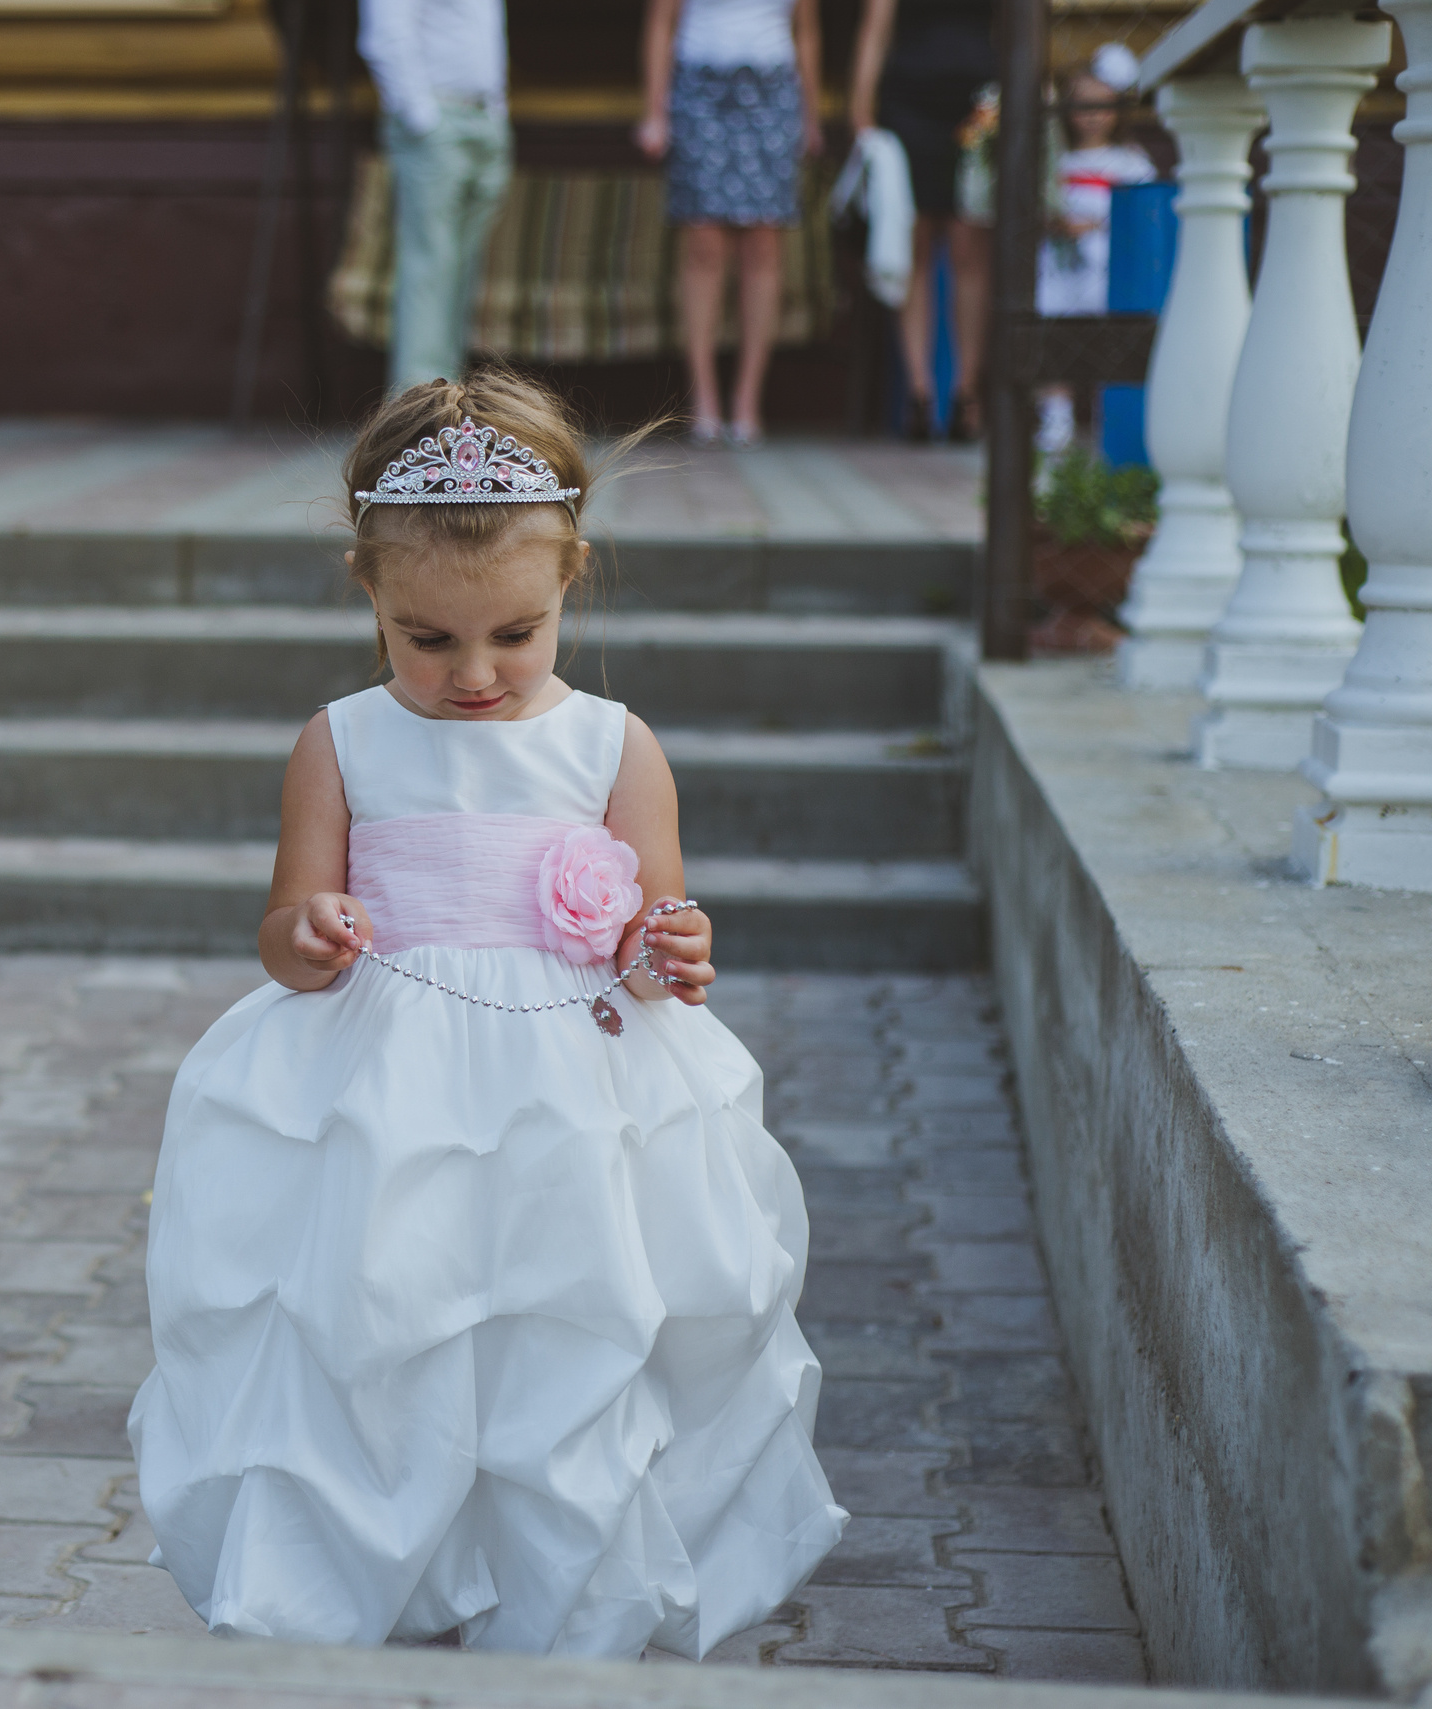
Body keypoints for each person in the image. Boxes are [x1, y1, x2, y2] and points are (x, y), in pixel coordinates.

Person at [128, 369, 845, 1656]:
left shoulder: (614, 744)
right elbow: (287, 925)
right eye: (429, 638)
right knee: (387, 1320)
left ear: (571, 575)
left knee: (560, 1332)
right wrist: (310, 934)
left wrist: (669, 942)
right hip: (386, 1085)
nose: (475, 674)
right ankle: (379, 1580)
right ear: (370, 592)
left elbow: (658, 930)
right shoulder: (340, 741)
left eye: (513, 633)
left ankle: (553, 1598)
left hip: (573, 1094)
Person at [636, 0, 825, 445]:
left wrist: (810, 117)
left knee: (763, 244)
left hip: (773, 89)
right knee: (704, 243)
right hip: (699, 86)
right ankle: (704, 400)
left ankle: (747, 402)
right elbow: (661, 22)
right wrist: (654, 112)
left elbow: (808, 30)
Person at [850, 0, 994, 440]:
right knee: (913, 242)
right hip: (907, 103)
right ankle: (918, 391)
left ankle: (967, 393)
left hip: (977, 105)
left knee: (970, 246)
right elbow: (875, 28)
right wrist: (860, 112)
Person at [359, 0, 512, 394]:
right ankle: (415, 412)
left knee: (460, 268)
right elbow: (385, 35)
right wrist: (422, 117)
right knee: (430, 264)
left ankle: (447, 403)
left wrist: (495, 108)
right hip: (436, 121)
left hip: (485, 117)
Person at [1036, 46, 1156, 452]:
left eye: (1101, 106)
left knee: (1110, 343)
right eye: (1082, 105)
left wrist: (1092, 225)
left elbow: (1141, 214)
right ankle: (1056, 420)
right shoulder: (1057, 161)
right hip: (1058, 268)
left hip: (1108, 270)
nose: (1091, 115)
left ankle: (1112, 420)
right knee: (1053, 337)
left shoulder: (1130, 162)